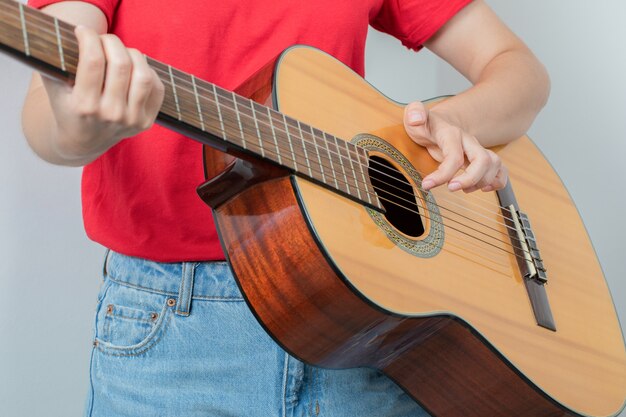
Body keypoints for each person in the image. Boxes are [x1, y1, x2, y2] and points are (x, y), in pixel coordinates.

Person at [21, 0, 550, 416]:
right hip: (175, 329)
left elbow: (520, 72)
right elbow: (48, 121)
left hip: (371, 320)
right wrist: (81, 124)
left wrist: (454, 125)